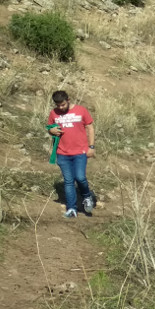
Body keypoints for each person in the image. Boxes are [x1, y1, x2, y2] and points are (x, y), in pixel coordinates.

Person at [47, 90, 95, 218]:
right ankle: (72, 209)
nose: (61, 108)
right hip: (62, 153)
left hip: (80, 151)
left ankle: (86, 196)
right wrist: (51, 131)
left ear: (68, 100)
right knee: (68, 181)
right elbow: (50, 128)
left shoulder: (81, 110)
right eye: (58, 105)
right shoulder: (54, 113)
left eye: (63, 105)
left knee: (80, 177)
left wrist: (91, 146)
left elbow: (90, 127)